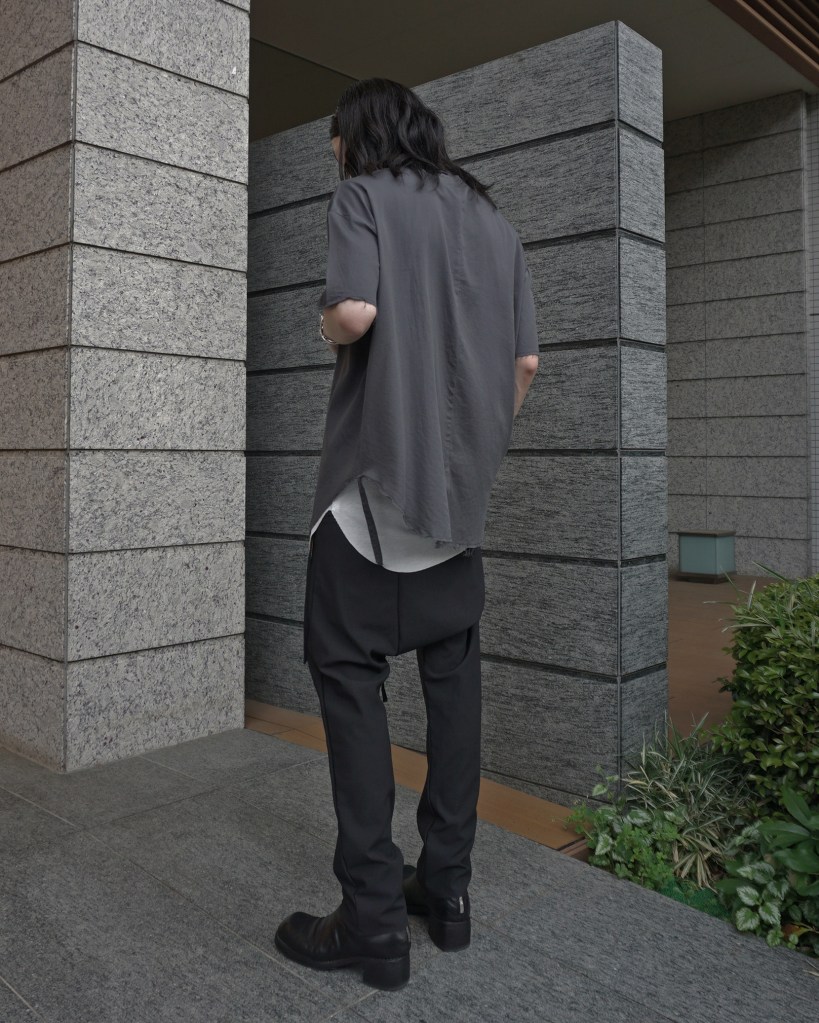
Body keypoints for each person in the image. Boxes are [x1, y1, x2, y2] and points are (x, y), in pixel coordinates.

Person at [274, 77, 539, 992]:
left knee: (351, 686)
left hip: (370, 500)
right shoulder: (492, 221)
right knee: (452, 687)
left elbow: (353, 313)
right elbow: (524, 363)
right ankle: (448, 890)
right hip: (457, 509)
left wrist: (323, 319)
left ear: (358, 135)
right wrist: (473, 455)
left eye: (334, 142)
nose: (334, 158)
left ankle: (374, 920)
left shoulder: (362, 196)